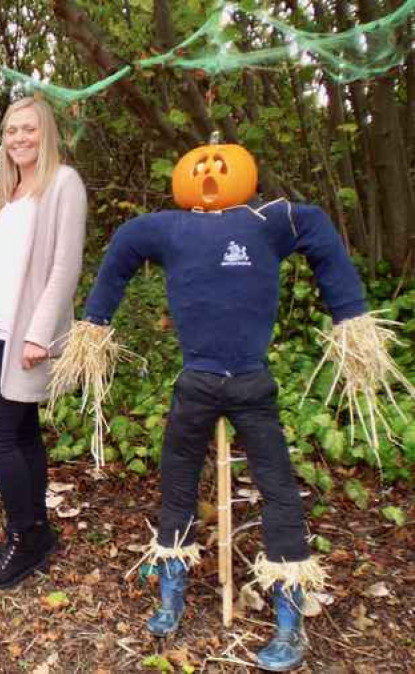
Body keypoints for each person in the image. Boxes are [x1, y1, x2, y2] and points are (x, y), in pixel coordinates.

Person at [72, 142, 365, 671]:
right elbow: (124, 246)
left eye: (218, 165)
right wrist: (96, 321)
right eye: (198, 166)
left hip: (253, 382)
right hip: (197, 381)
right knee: (177, 478)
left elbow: (318, 228)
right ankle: (171, 590)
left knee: (278, 488)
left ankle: (289, 617)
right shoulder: (170, 228)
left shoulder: (267, 222)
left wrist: (351, 315)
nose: (209, 173)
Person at [0, 96, 88, 589]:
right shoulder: (8, 193)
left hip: (25, 338)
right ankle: (39, 529)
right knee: (22, 431)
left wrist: (39, 334)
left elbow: (64, 265)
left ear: (46, 132)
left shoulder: (62, 184)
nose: (19, 138)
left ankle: (26, 534)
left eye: (28, 129)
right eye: (11, 130)